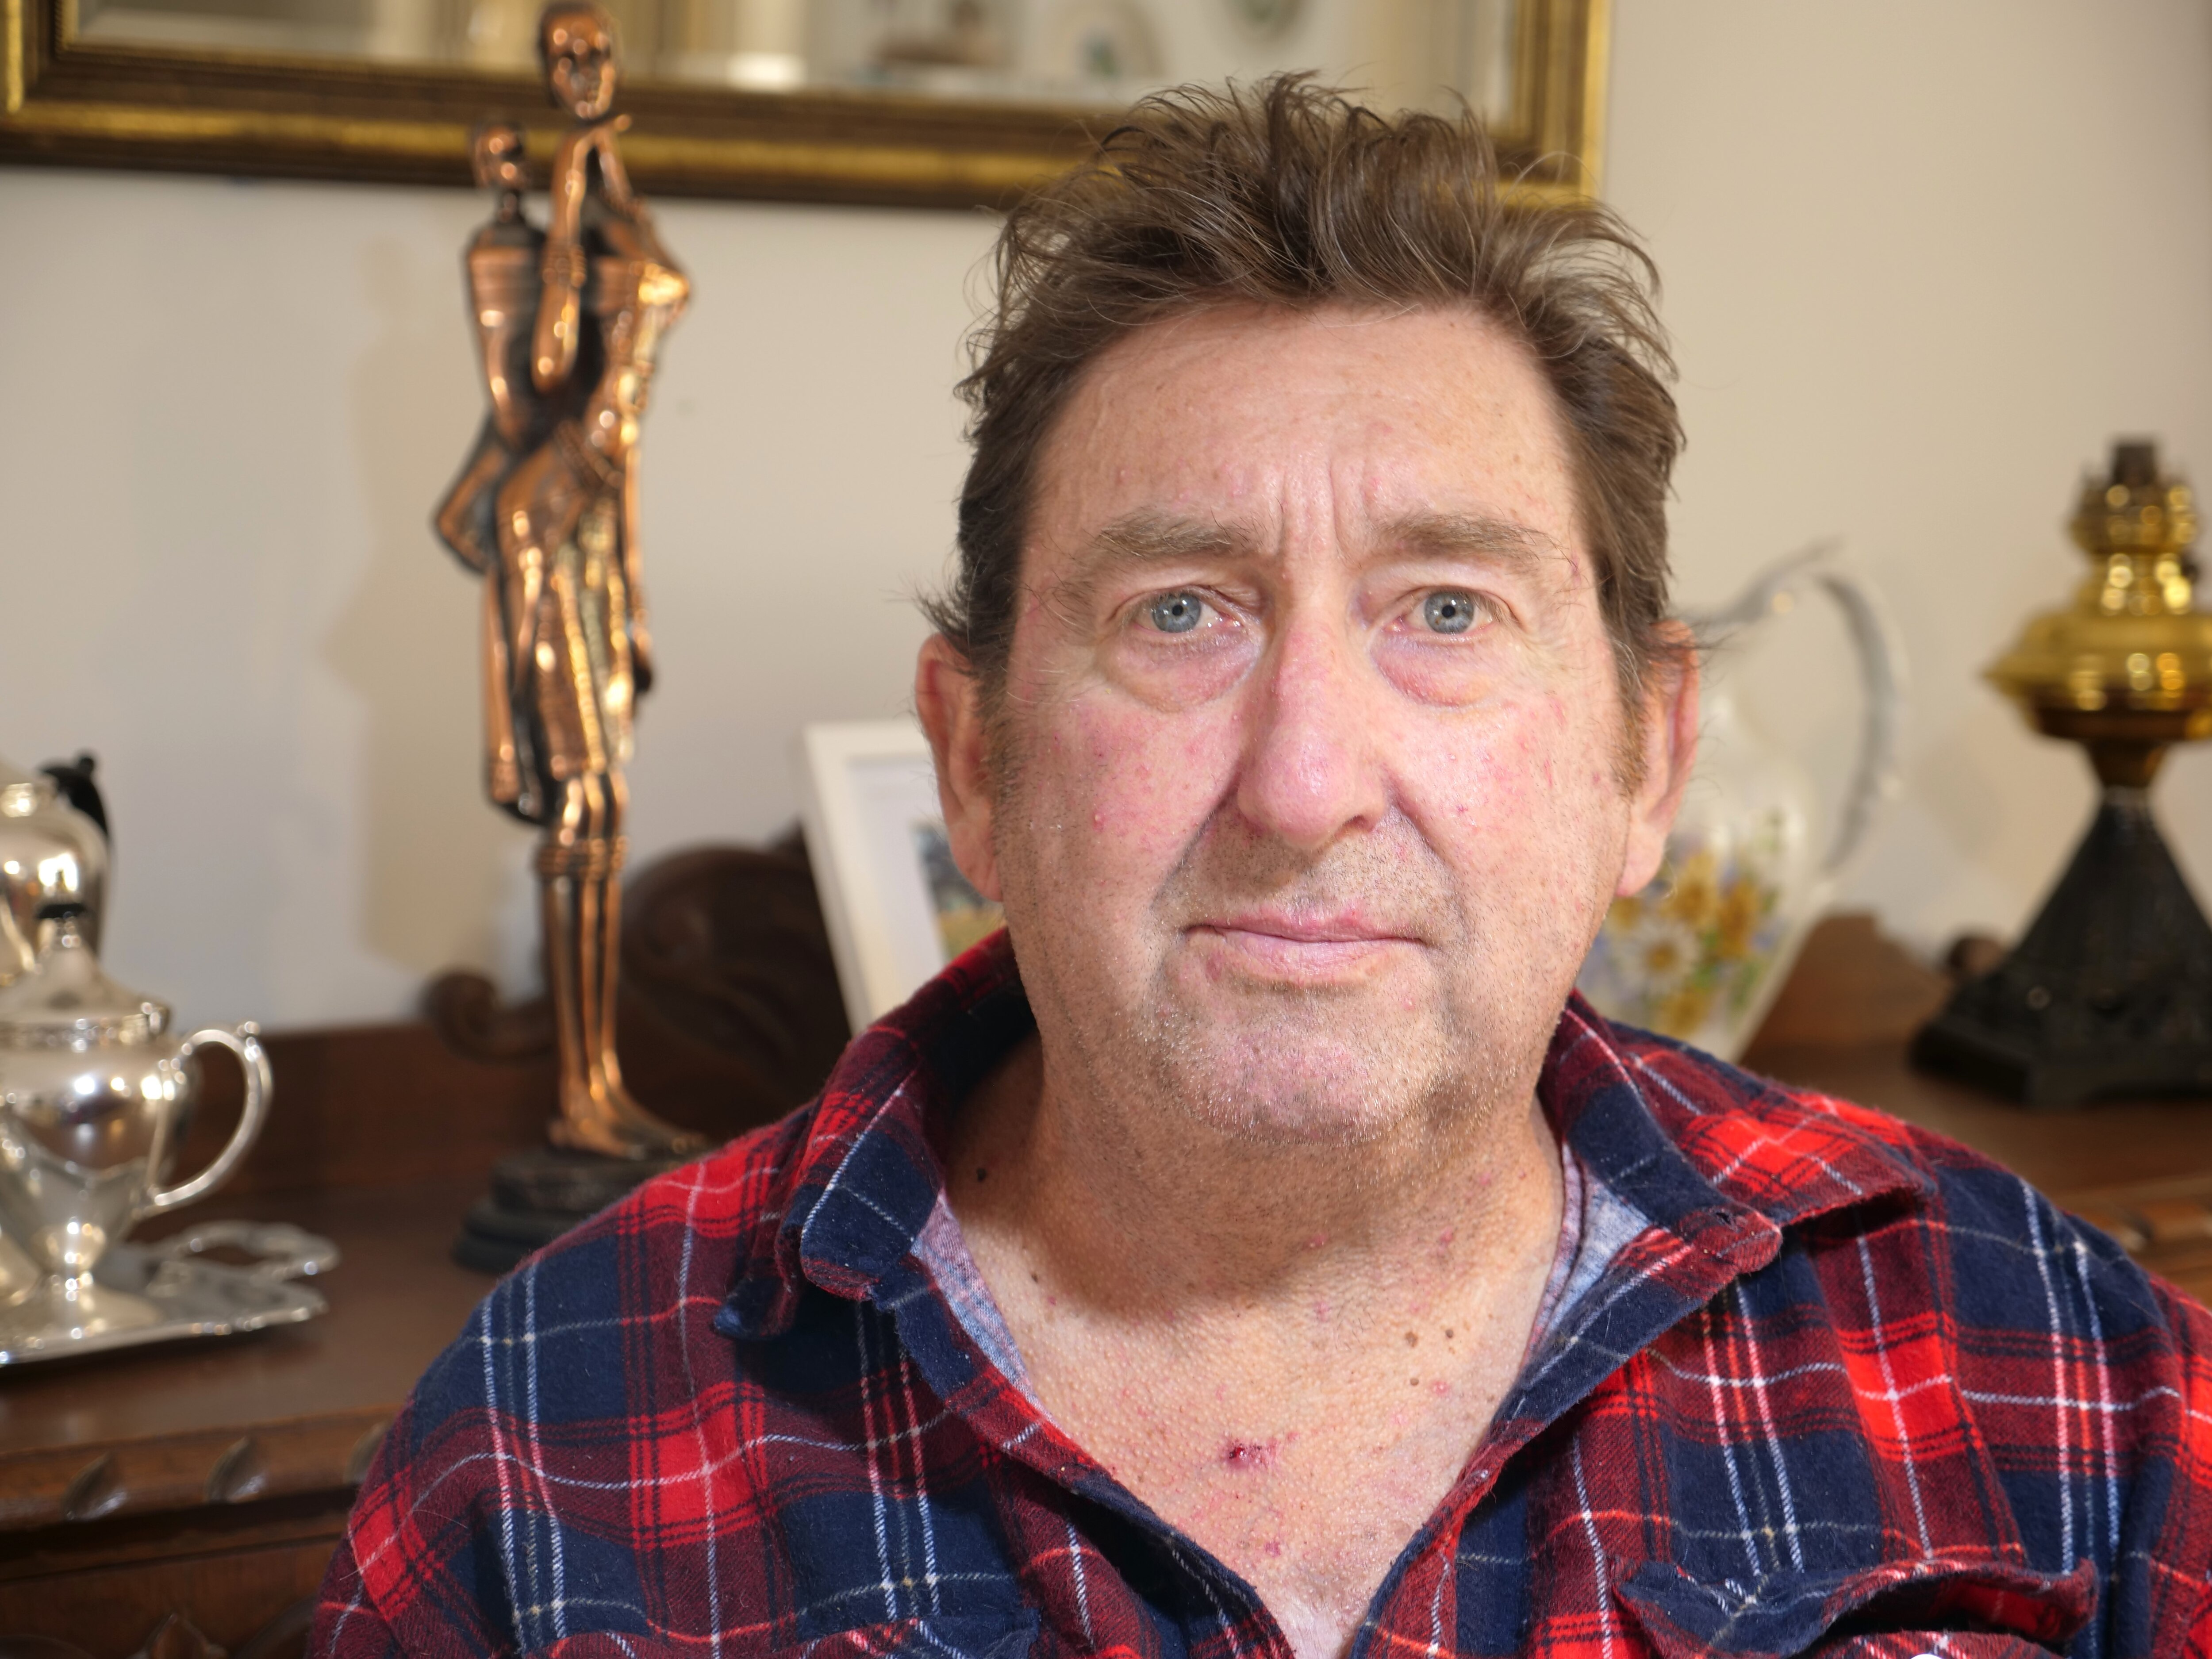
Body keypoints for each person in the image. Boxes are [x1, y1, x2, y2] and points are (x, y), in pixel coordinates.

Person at [316, 78, 2212, 1657]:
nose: (1303, 783)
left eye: (1446, 607)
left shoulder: (2046, 1357)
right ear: (973, 758)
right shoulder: (544, 1450)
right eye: (1178, 611)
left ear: (1647, 755)